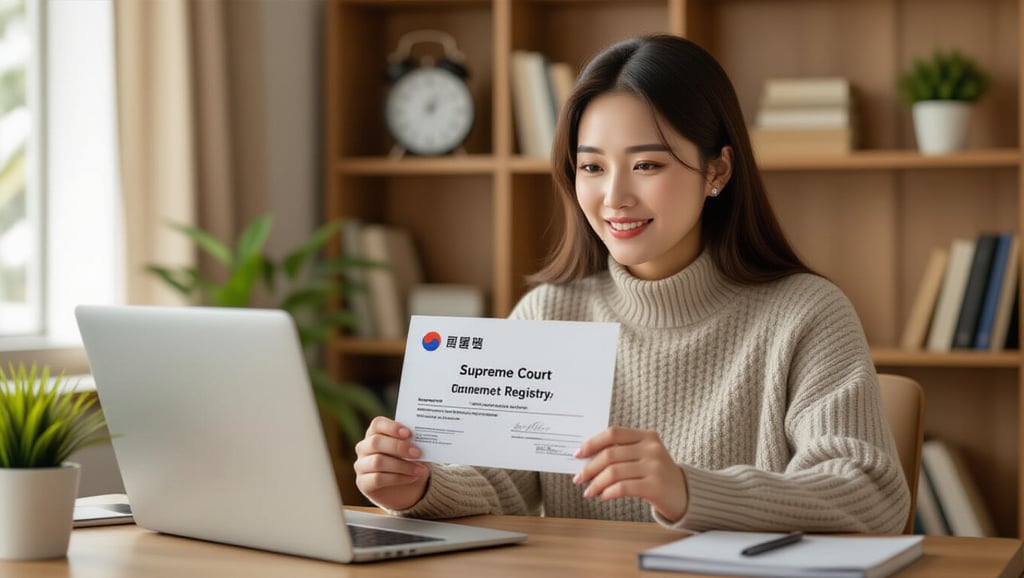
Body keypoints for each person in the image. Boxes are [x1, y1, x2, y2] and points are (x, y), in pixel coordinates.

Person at [354, 34, 910, 534]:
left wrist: (688, 490)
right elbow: (503, 484)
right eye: (592, 167)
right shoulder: (549, 313)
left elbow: (871, 495)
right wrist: (417, 485)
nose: (615, 197)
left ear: (717, 170)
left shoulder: (807, 314)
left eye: (647, 165)